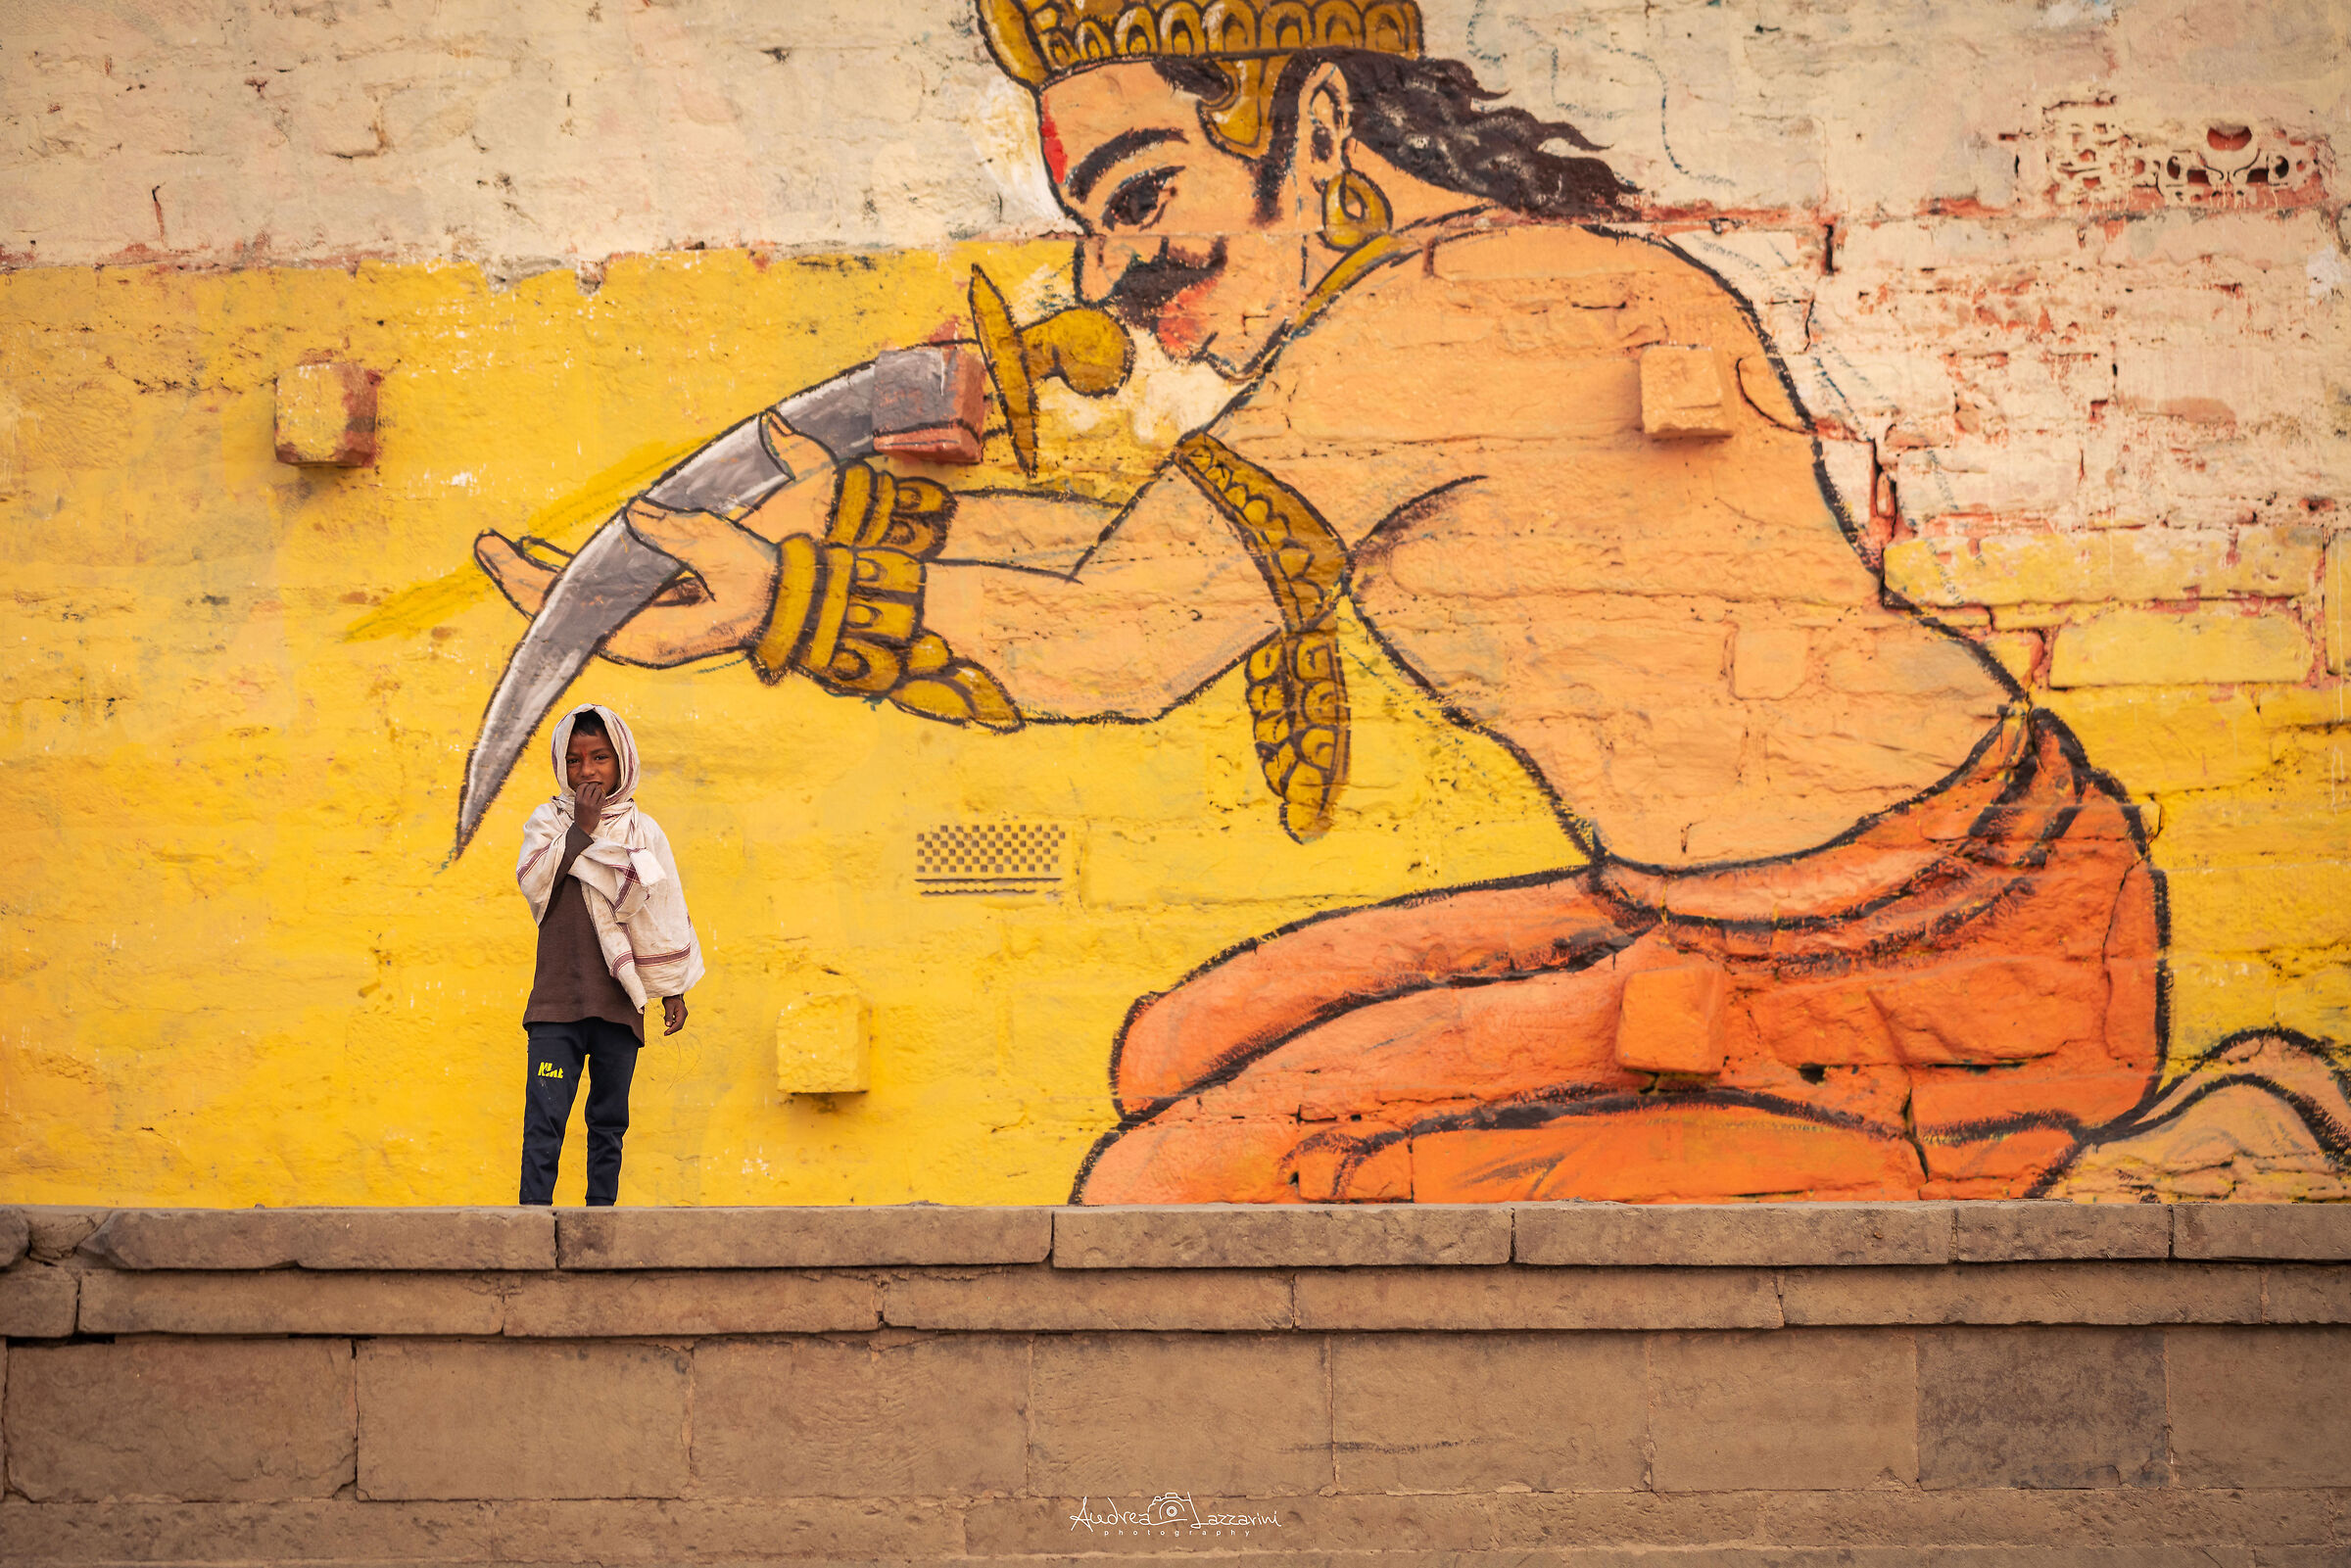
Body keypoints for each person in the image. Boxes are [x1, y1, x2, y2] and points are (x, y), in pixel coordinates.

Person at [475, 0, 2163, 1204]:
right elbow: (1124, 566)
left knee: (1164, 1185)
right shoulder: (1455, 307)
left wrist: (794, 600)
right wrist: (838, 543)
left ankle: (2070, 1154)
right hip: (1724, 914)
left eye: (1144, 195)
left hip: (1933, 956)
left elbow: (1121, 639)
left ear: (1324, 132)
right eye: (1088, 222)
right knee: (1181, 1038)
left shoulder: (1419, 336)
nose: (1106, 277)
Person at [513, 704, 701, 1206]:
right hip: (556, 1006)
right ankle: (532, 1221)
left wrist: (671, 989)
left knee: (609, 1122)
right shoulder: (547, 823)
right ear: (561, 765)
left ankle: (601, 1224)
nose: (587, 771)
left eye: (600, 758)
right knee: (545, 1117)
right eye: (574, 761)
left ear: (622, 762)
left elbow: (663, 912)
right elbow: (535, 882)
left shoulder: (644, 833)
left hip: (618, 1004)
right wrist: (582, 828)